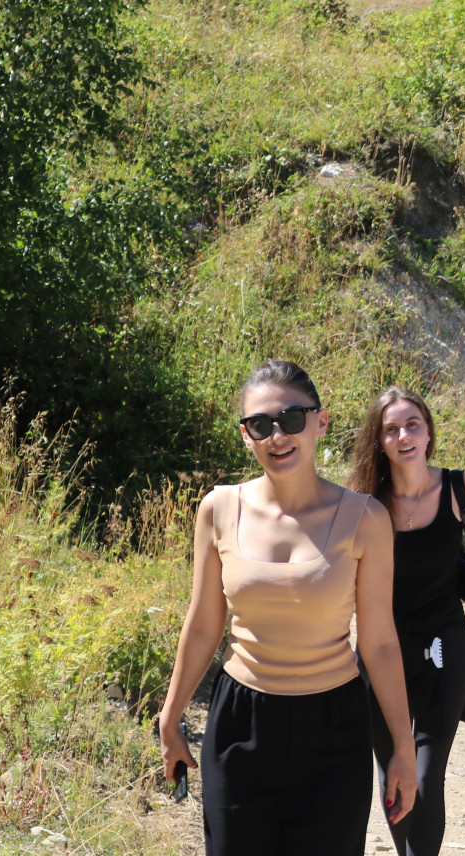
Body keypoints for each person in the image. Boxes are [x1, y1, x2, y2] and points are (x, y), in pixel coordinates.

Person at [157, 360, 416, 855]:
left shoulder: (366, 519)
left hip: (334, 729)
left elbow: (379, 641)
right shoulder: (217, 508)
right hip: (240, 724)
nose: (278, 435)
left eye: (292, 418)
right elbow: (204, 624)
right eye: (261, 424)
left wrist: (402, 748)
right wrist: (170, 718)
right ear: (245, 436)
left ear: (320, 422)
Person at [349, 387, 465, 856]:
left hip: (445, 646)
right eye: (391, 429)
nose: (403, 435)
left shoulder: (459, 487)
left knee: (426, 776)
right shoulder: (367, 503)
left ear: (428, 431)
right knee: (393, 775)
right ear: (379, 441)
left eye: (412, 424)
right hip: (381, 652)